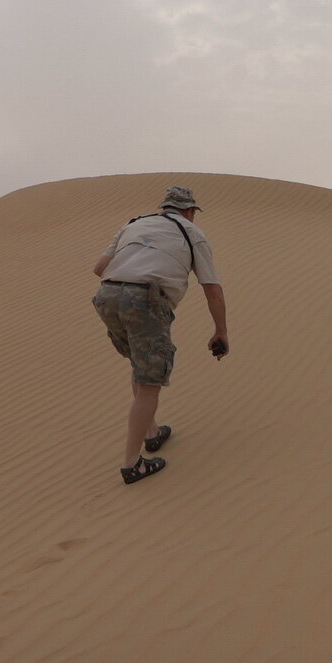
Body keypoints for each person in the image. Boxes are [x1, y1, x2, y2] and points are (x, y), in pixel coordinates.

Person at [91, 186, 228, 484]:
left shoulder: (133, 223)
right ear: (190, 211)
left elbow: (99, 268)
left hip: (106, 296)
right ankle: (132, 464)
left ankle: (151, 432)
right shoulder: (193, 233)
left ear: (165, 207)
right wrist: (221, 331)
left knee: (139, 364)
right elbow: (212, 288)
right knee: (150, 378)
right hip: (145, 300)